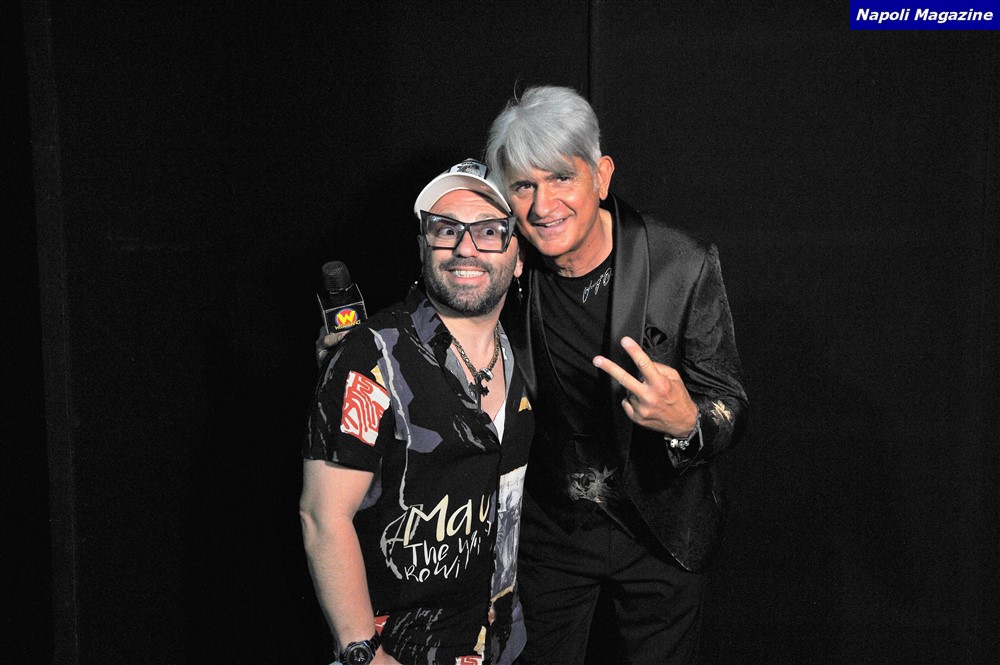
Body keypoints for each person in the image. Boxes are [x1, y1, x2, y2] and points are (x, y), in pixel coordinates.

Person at [484, 86, 748, 664]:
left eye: (561, 177)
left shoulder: (680, 264)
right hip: (549, 526)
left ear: (600, 176)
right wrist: (360, 351)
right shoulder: (499, 265)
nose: (542, 205)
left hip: (659, 525)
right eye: (523, 186)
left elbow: (728, 399)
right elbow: (434, 314)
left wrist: (689, 424)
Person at [300, 159, 534, 665]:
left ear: (518, 256)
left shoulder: (524, 355)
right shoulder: (371, 358)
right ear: (424, 247)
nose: (466, 248)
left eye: (489, 231)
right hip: (398, 651)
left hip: (498, 642)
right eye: (446, 230)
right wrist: (363, 652)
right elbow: (323, 516)